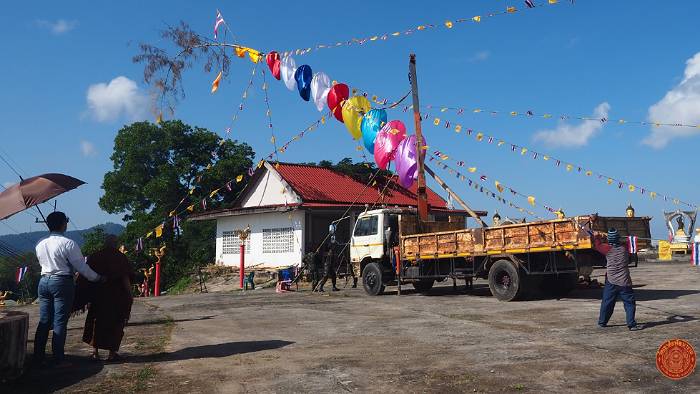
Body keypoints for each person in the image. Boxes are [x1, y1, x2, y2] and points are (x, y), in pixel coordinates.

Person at [34, 211, 105, 366]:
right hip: (61, 282)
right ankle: (58, 358)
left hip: (44, 281)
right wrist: (97, 278)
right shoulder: (68, 243)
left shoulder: (40, 243)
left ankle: (38, 357)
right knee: (60, 321)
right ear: (63, 223)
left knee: (44, 320)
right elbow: (81, 267)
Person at [76, 234, 135, 361]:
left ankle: (95, 352)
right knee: (115, 323)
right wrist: (130, 295)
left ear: (105, 243)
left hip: (97, 295)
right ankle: (112, 354)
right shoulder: (120, 257)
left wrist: (85, 295)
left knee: (95, 322)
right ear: (116, 243)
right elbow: (125, 278)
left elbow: (86, 276)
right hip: (116, 296)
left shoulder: (95, 256)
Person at [594, 228, 642, 331]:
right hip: (625, 281)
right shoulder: (624, 249)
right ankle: (631, 324)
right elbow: (628, 246)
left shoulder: (606, 249)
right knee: (629, 303)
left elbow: (597, 245)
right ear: (618, 239)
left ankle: (602, 322)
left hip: (611, 280)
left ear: (609, 239)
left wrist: (597, 236)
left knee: (607, 303)